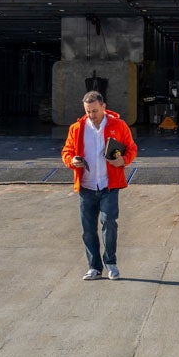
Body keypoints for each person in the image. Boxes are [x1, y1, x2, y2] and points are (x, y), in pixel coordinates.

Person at [61, 90, 137, 280]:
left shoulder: (118, 125)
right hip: (86, 186)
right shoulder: (76, 128)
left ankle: (111, 263)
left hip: (109, 185)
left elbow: (132, 148)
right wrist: (72, 160)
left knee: (109, 223)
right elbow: (66, 151)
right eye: (87, 111)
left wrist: (124, 160)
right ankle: (94, 267)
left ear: (103, 107)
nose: (91, 115)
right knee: (88, 229)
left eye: (94, 111)